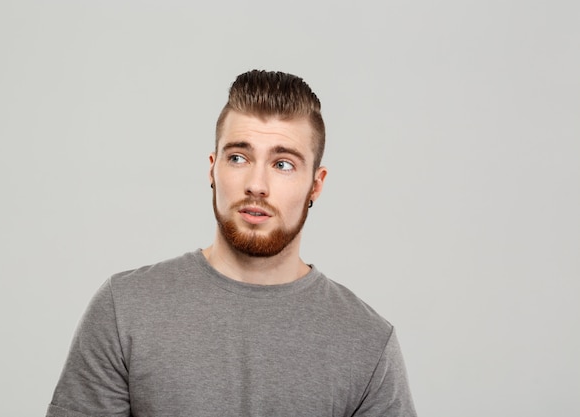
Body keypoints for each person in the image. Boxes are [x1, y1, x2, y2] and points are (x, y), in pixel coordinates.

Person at [46, 70, 417, 417]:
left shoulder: (367, 342)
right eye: (239, 157)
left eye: (283, 164)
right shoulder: (124, 309)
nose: (257, 184)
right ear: (213, 168)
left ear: (315, 185)